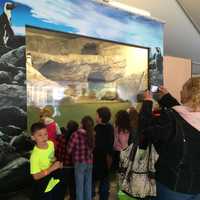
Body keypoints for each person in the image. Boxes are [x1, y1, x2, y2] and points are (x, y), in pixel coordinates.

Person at [139, 77, 200, 200]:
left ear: (188, 93)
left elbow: (146, 129)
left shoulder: (170, 119)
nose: (181, 92)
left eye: (183, 89)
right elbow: (185, 117)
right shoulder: (185, 118)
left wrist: (147, 101)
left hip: (173, 186)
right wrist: (167, 98)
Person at [30, 122, 65, 200]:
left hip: (53, 178)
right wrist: (52, 168)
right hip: (43, 183)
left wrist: (56, 163)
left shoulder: (51, 144)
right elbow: (35, 176)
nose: (44, 137)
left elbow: (52, 158)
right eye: (40, 135)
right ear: (33, 137)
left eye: (45, 134)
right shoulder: (34, 156)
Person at [67, 116, 94, 200]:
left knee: (79, 187)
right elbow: (92, 148)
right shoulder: (91, 134)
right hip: (89, 162)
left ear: (81, 124)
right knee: (88, 186)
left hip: (79, 163)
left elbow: (69, 150)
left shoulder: (75, 134)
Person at [93, 107, 114, 200]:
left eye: (96, 115)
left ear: (100, 117)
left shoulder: (97, 128)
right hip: (106, 158)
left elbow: (96, 144)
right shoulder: (110, 127)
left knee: (94, 180)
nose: (95, 116)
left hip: (98, 158)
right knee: (104, 180)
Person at [56, 121, 79, 200]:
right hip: (74, 167)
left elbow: (58, 152)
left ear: (66, 127)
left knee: (61, 189)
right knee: (73, 188)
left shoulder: (61, 138)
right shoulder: (77, 139)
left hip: (63, 167)